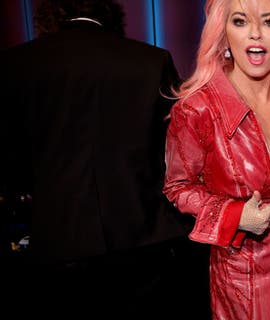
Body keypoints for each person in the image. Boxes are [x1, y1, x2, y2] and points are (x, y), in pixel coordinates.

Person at [0, 0, 210, 319]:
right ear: (110, 14)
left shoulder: (15, 65)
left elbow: (10, 163)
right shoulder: (152, 61)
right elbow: (181, 157)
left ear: (47, 15)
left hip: (57, 242)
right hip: (146, 241)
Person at [162, 0, 270, 319]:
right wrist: (233, 215)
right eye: (240, 21)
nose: (256, 34)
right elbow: (177, 187)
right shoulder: (198, 109)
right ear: (223, 33)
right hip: (242, 283)